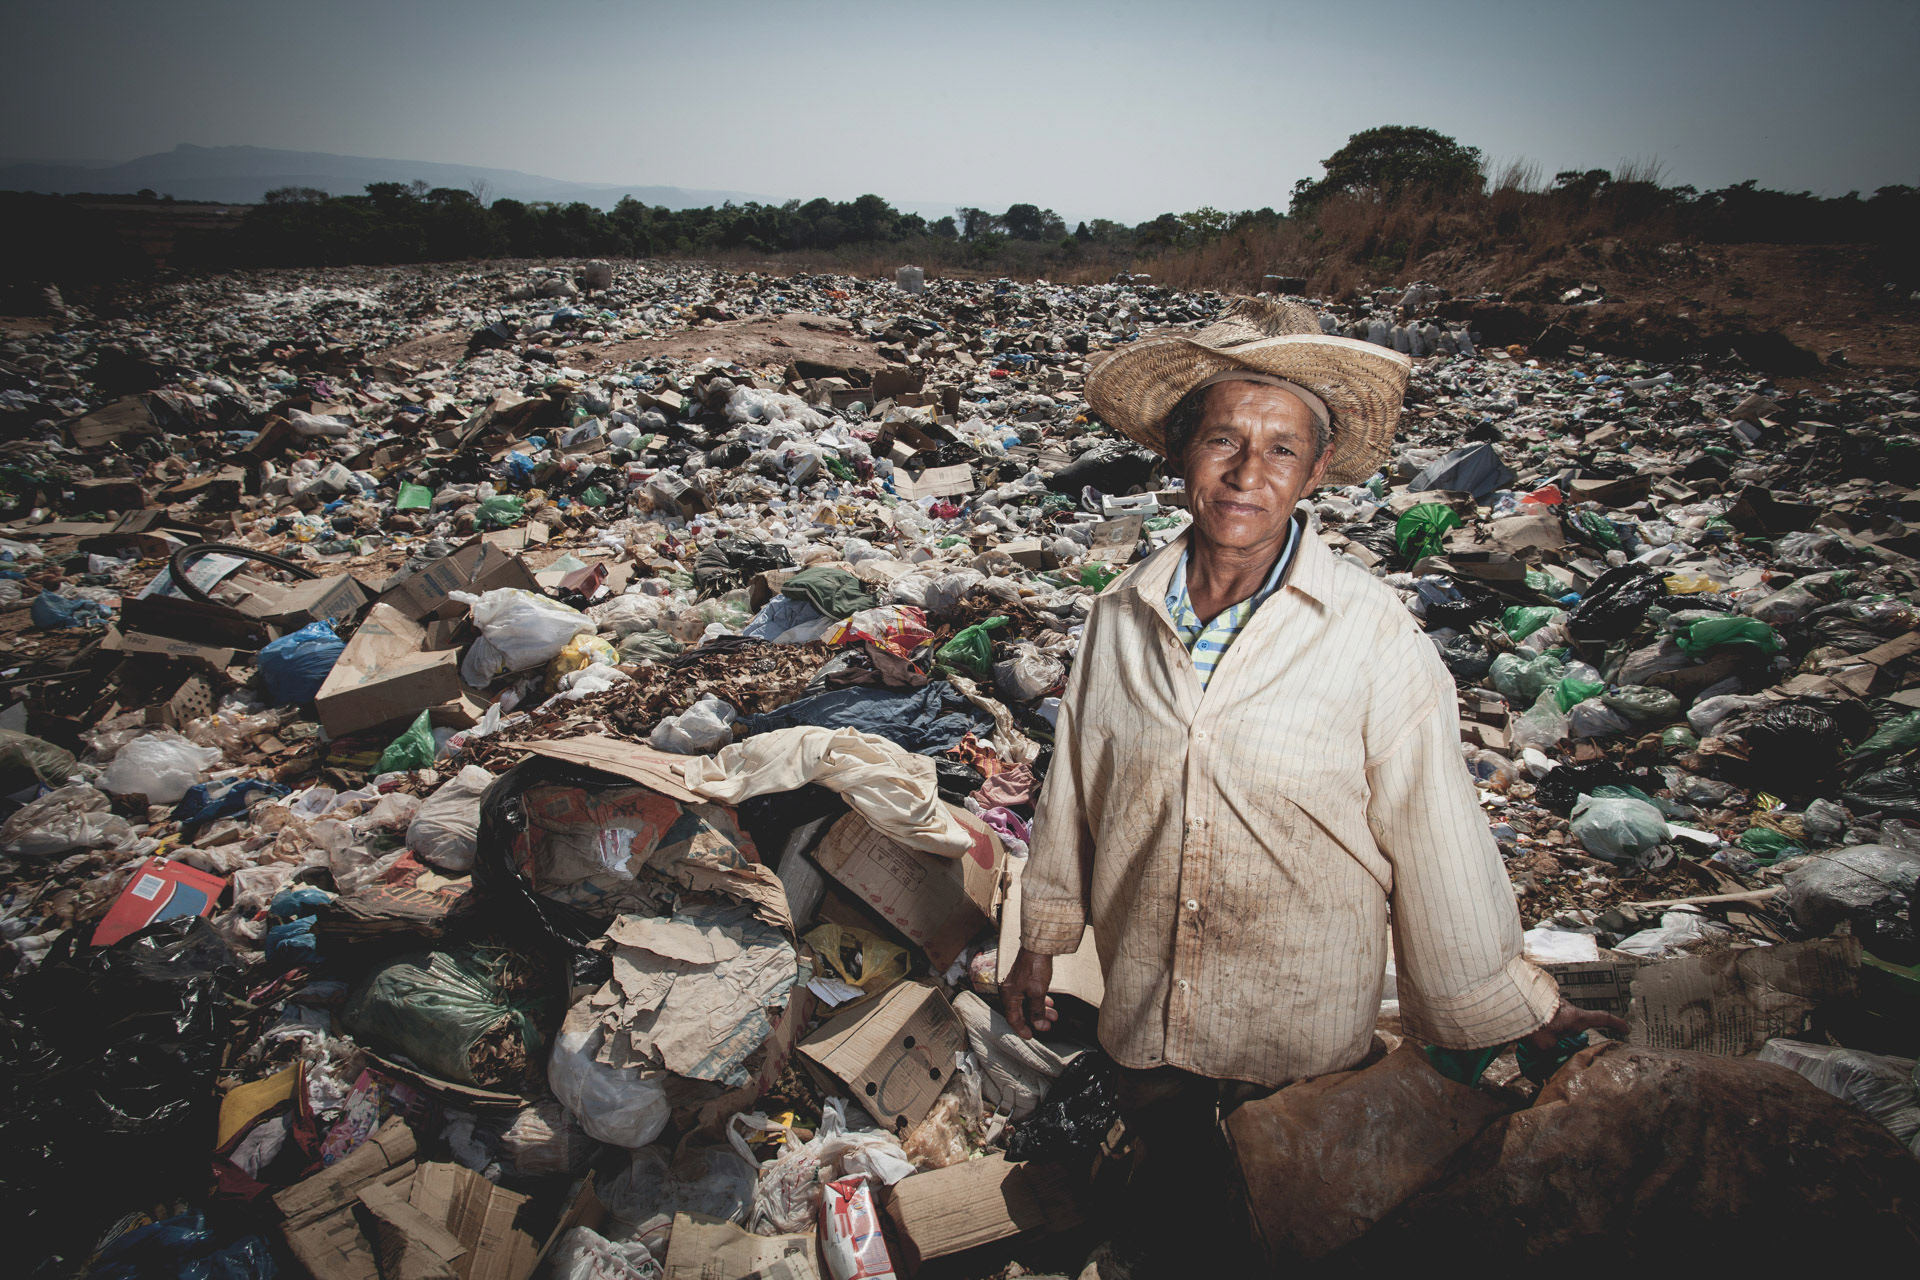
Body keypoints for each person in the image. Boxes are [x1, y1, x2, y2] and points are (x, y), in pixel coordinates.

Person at [998, 298, 1624, 1253]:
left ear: (1317, 470)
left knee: (1282, 1230)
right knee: (1173, 1223)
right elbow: (1075, 789)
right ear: (1180, 453)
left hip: (1295, 1040)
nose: (1249, 474)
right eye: (1224, 441)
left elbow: (1436, 836)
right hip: (1148, 1019)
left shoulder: (1369, 634)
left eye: (1282, 449)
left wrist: (1507, 1009)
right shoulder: (1119, 616)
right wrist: (1040, 939)